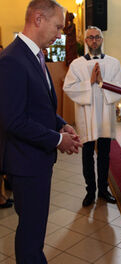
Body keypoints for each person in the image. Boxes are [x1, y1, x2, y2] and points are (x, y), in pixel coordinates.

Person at [0, 0, 82, 263]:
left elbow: (38, 105)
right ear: (38, 19)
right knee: (31, 234)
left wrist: (60, 123)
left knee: (33, 229)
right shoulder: (12, 59)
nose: (60, 34)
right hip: (25, 161)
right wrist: (58, 140)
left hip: (35, 159)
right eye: (58, 26)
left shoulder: (34, 55)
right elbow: (13, 120)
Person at [63, 26, 121, 206]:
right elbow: (68, 87)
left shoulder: (113, 63)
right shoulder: (77, 64)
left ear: (102, 40)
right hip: (86, 115)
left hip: (105, 115)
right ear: (85, 41)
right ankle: (90, 191)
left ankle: (103, 190)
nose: (94, 41)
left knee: (105, 154)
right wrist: (89, 82)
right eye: (90, 38)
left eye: (97, 37)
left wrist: (102, 83)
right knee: (87, 154)